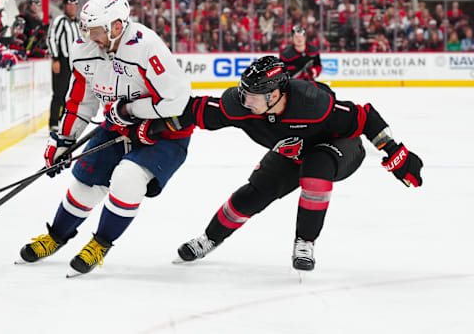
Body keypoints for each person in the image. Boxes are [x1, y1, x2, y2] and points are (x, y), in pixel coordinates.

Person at [171, 56, 423, 271]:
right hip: (293, 151)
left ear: (275, 94)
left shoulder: (313, 103)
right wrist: (150, 124)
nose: (244, 100)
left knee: (316, 171)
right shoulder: (239, 105)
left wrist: (395, 151)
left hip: (340, 147)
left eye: (252, 96)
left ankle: (305, 242)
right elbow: (194, 110)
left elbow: (365, 117)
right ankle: (209, 239)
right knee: (254, 194)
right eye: (243, 92)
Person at [17, 0, 193, 276]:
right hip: (118, 125)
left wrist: (129, 111)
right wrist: (63, 139)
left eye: (96, 30)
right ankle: (57, 236)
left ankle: (101, 243)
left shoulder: (146, 45)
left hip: (164, 131)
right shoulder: (84, 48)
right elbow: (80, 100)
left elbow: (176, 100)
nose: (90, 36)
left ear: (117, 26)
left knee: (127, 177)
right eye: (87, 29)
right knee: (85, 183)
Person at [46, 0, 81, 131]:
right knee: (59, 92)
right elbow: (51, 38)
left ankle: (63, 120)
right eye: (69, 5)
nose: (72, 7)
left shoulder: (78, 23)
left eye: (74, 5)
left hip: (75, 62)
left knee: (70, 93)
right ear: (65, 6)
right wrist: (55, 58)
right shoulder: (60, 21)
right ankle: (54, 122)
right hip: (62, 60)